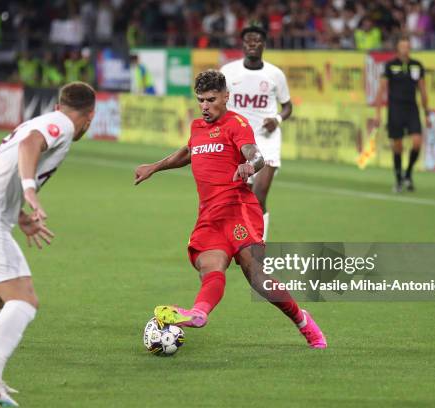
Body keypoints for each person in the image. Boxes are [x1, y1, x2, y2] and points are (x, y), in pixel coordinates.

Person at [134, 70, 326, 350]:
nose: (205, 106)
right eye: (200, 100)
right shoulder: (197, 127)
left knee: (257, 278)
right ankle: (199, 313)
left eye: (211, 99)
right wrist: (155, 167)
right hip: (210, 216)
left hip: (239, 210)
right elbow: (188, 153)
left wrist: (251, 165)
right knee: (210, 267)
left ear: (226, 97)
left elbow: (255, 153)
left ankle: (303, 322)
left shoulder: (237, 123)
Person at [0, 82, 96, 406]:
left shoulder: (43, 120)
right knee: (25, 300)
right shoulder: (61, 125)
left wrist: (18, 215)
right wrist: (30, 191)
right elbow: (29, 145)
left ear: (59, 103)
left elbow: (7, 169)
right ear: (90, 116)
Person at [220, 26, 292, 241]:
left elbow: (288, 106)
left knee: (259, 195)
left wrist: (277, 119)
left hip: (267, 139)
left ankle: (259, 244)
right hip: (240, 141)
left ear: (263, 45)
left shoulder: (274, 74)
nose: (252, 44)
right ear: (242, 45)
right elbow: (218, 102)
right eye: (248, 41)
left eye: (257, 40)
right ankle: (242, 240)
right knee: (243, 196)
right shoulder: (228, 72)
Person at [375, 36, 429, 193]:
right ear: (397, 49)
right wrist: (378, 113)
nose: (405, 49)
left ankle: (408, 173)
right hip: (395, 109)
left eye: (407, 46)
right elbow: (382, 90)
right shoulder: (390, 66)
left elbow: (423, 90)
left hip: (412, 108)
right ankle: (398, 179)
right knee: (397, 146)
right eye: (402, 46)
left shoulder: (417, 66)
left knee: (417, 142)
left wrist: (426, 112)